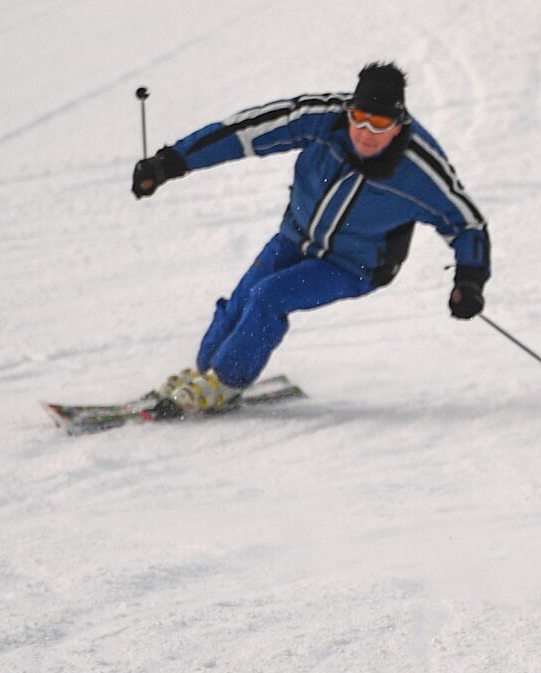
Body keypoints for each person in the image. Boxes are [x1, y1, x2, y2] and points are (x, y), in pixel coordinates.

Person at [131, 61, 490, 414]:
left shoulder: (420, 170)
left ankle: (225, 382)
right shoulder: (323, 119)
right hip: (294, 238)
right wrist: (171, 162)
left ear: (398, 125)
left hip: (355, 265)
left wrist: (470, 280)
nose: (365, 132)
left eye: (379, 123)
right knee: (240, 304)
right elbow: (245, 133)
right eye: (359, 117)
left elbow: (467, 223)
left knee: (268, 297)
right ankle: (208, 370)